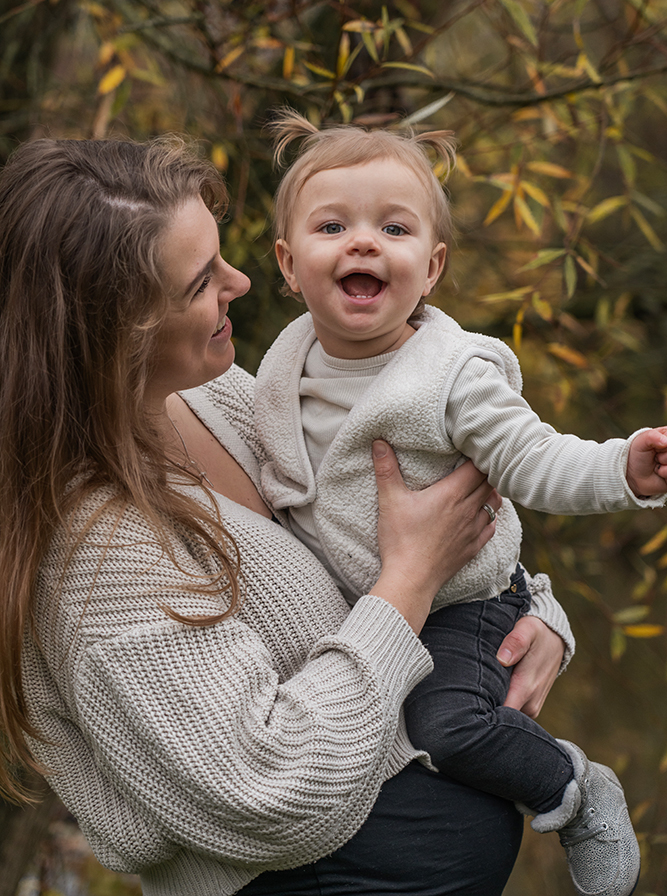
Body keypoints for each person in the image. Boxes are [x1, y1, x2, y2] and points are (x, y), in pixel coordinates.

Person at [0, 135, 571, 896]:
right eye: (202, 280)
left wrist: (535, 618)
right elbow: (266, 790)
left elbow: (390, 517)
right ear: (114, 330)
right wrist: (411, 580)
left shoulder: (219, 396)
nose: (240, 282)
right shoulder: (95, 553)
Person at [254, 111, 665, 896]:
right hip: (366, 612)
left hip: (462, 603)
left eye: (394, 228)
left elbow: (533, 458)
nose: (363, 243)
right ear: (288, 263)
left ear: (432, 267)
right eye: (332, 226)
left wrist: (623, 468)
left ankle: (572, 787)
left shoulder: (450, 376)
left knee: (448, 728)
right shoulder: (280, 372)